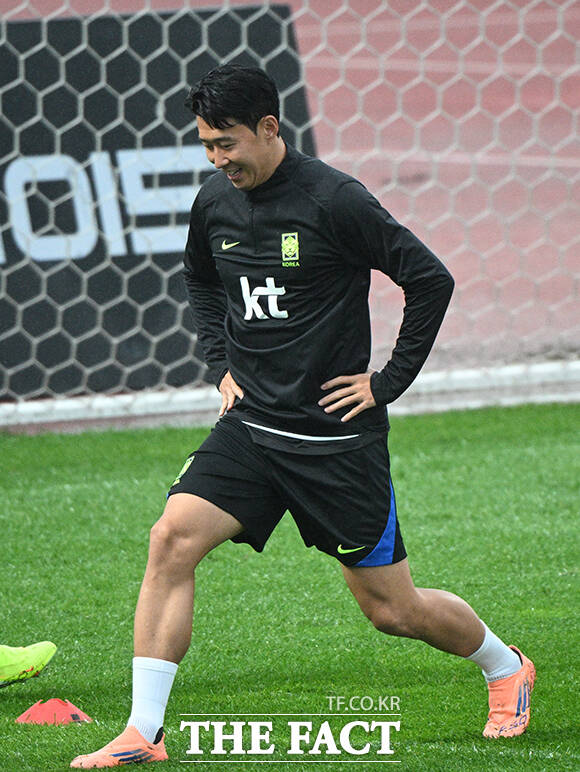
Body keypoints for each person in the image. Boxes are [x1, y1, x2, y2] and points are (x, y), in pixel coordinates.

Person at [70, 65, 534, 768]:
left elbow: (429, 278)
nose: (217, 160)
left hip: (334, 440)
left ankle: (505, 666)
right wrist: (220, 362)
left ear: (269, 128)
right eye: (206, 145)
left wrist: (386, 383)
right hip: (253, 428)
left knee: (392, 611)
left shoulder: (335, 200)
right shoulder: (214, 201)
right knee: (171, 539)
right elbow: (201, 279)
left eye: (227, 143)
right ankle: (144, 732)